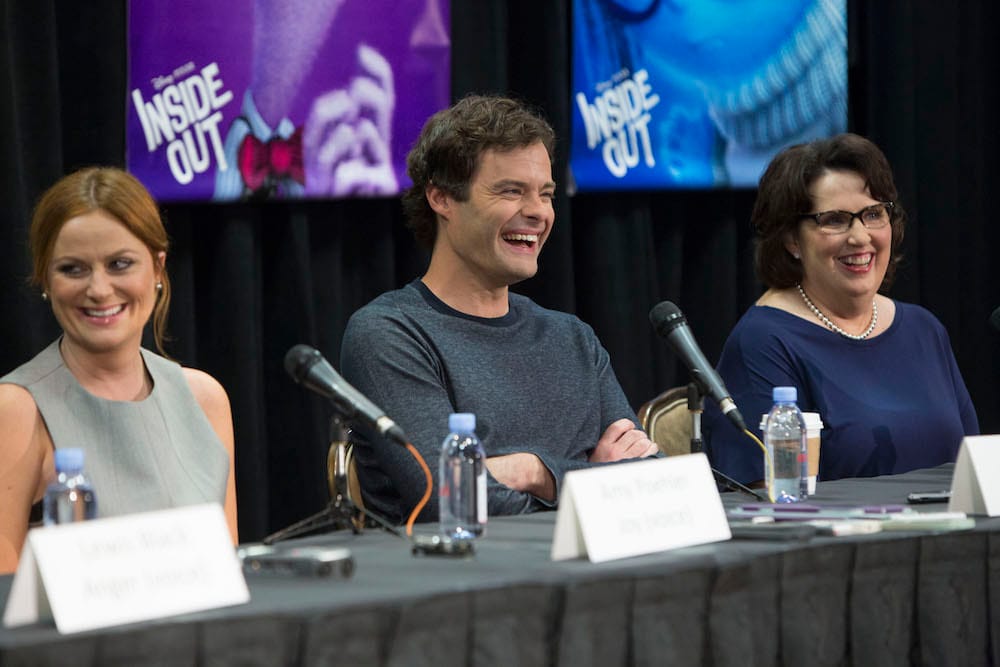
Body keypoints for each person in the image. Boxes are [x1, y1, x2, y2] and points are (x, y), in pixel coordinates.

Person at [340, 94, 658, 523]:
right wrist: (588, 478)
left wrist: (531, 471)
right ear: (442, 198)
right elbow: (449, 497)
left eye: (546, 194)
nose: (538, 213)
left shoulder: (573, 338)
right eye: (511, 191)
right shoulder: (389, 334)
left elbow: (649, 482)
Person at [0, 167, 238, 574]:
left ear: (158, 269)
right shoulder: (16, 408)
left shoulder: (205, 399)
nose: (98, 289)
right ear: (45, 279)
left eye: (120, 264)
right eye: (72, 269)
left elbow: (229, 573)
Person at [704, 133, 978, 486]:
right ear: (791, 239)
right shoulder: (762, 343)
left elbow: (974, 467)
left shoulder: (924, 329)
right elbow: (770, 497)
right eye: (834, 219)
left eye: (874, 214)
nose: (860, 237)